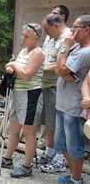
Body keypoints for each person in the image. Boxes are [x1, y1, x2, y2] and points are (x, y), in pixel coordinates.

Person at [0, 23, 44, 178]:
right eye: (22, 35)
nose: (23, 38)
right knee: (13, 127)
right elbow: (17, 69)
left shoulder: (38, 53)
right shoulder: (22, 51)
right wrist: (11, 68)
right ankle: (7, 158)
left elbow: (27, 74)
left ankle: (27, 166)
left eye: (26, 36)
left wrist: (13, 64)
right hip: (17, 93)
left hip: (30, 94)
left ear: (36, 38)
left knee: (28, 131)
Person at [55, 15, 90, 184]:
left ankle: (76, 180)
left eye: (75, 27)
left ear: (86, 30)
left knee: (74, 146)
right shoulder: (76, 47)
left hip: (74, 106)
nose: (71, 31)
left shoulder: (85, 51)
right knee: (61, 144)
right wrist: (63, 66)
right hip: (63, 104)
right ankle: (75, 177)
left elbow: (59, 69)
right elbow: (60, 67)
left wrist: (64, 48)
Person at [35, 14, 68, 173]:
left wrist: (37, 68)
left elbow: (63, 64)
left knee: (57, 123)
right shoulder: (52, 38)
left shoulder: (67, 38)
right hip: (46, 84)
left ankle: (59, 159)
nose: (45, 33)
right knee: (48, 122)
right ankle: (49, 152)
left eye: (47, 29)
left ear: (56, 25)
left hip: (57, 85)